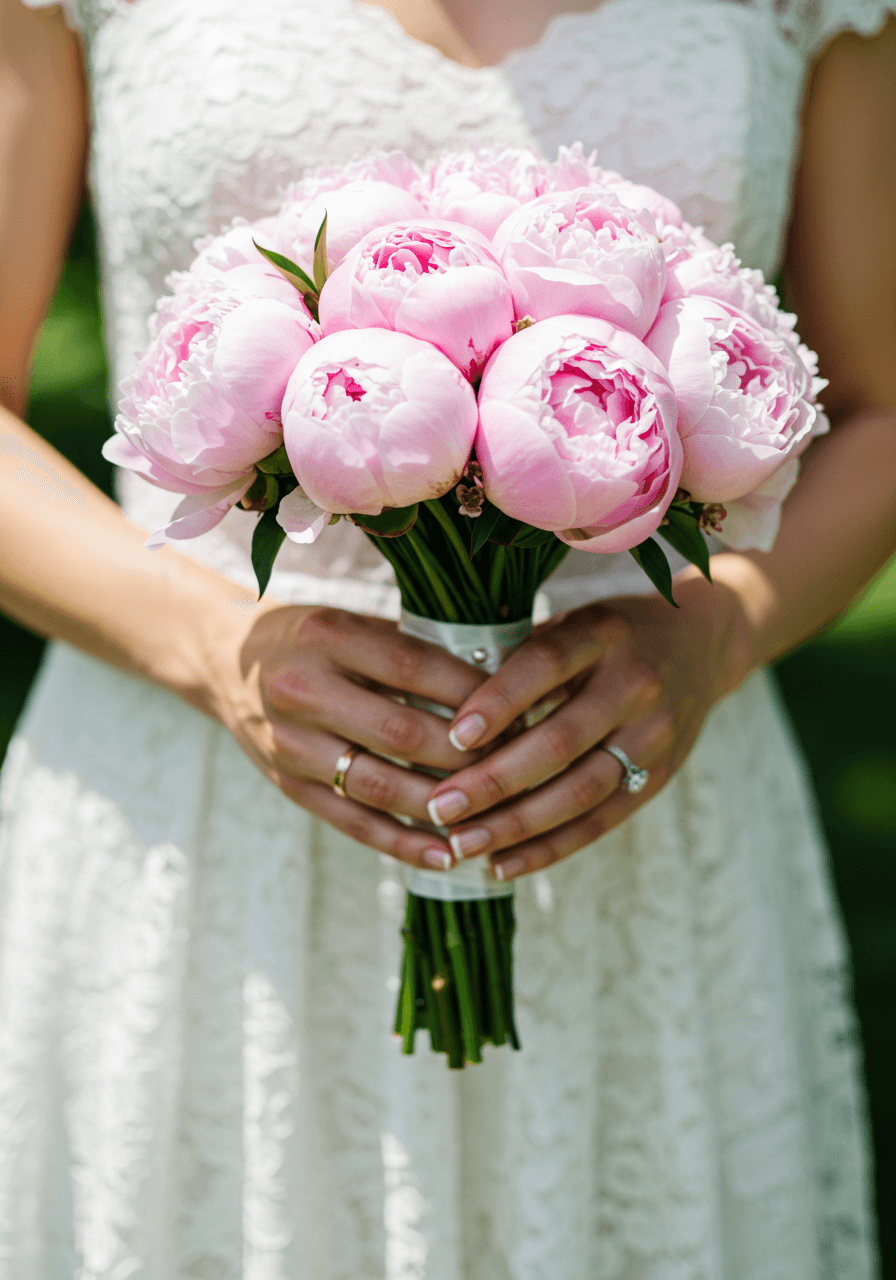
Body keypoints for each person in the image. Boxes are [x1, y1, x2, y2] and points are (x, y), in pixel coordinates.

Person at [0, 0, 893, 1272]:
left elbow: (878, 407)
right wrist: (211, 649)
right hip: (193, 805)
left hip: (627, 785)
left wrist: (715, 638)